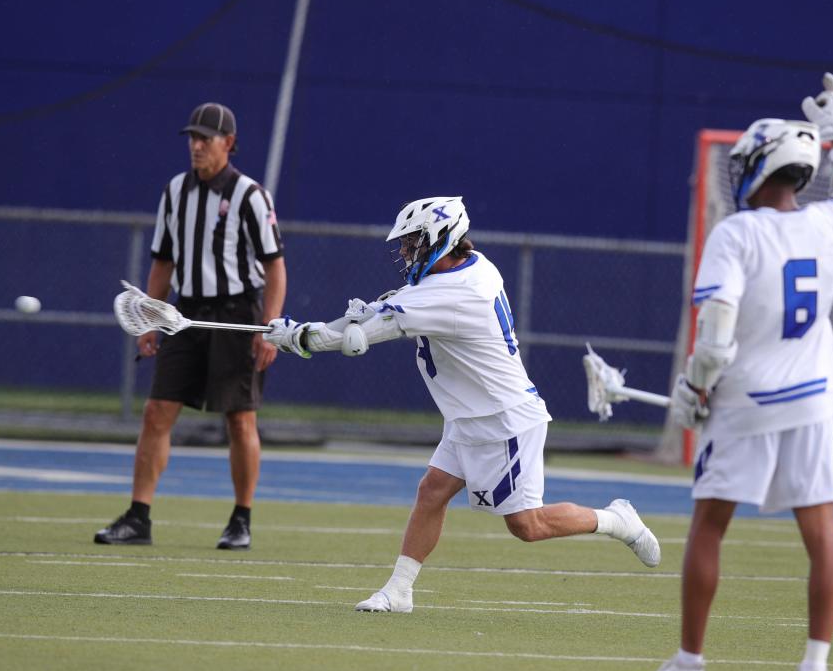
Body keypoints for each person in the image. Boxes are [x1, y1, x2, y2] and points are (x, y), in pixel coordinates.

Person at [263, 195, 661, 611]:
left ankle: (619, 521)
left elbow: (364, 330)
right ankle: (399, 591)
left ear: (441, 238)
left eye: (412, 241)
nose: (404, 251)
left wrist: (299, 337)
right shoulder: (470, 268)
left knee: (528, 525)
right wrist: (322, 329)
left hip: (503, 420)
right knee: (432, 490)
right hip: (470, 414)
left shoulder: (452, 293)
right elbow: (377, 314)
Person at [634, 74, 833, 671]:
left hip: (743, 403)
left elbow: (714, 341)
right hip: (814, 396)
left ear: (759, 167)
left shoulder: (736, 234)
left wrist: (692, 387)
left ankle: (690, 664)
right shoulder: (829, 225)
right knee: (821, 535)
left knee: (709, 527)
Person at [95, 102, 287, 550]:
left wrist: (269, 326)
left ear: (229, 143)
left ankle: (241, 519)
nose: (196, 146)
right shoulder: (175, 191)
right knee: (157, 411)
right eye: (192, 138)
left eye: (206, 138)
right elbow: (163, 260)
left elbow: (275, 267)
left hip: (238, 314)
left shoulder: (250, 195)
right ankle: (138, 516)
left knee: (239, 418)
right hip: (183, 314)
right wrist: (149, 316)